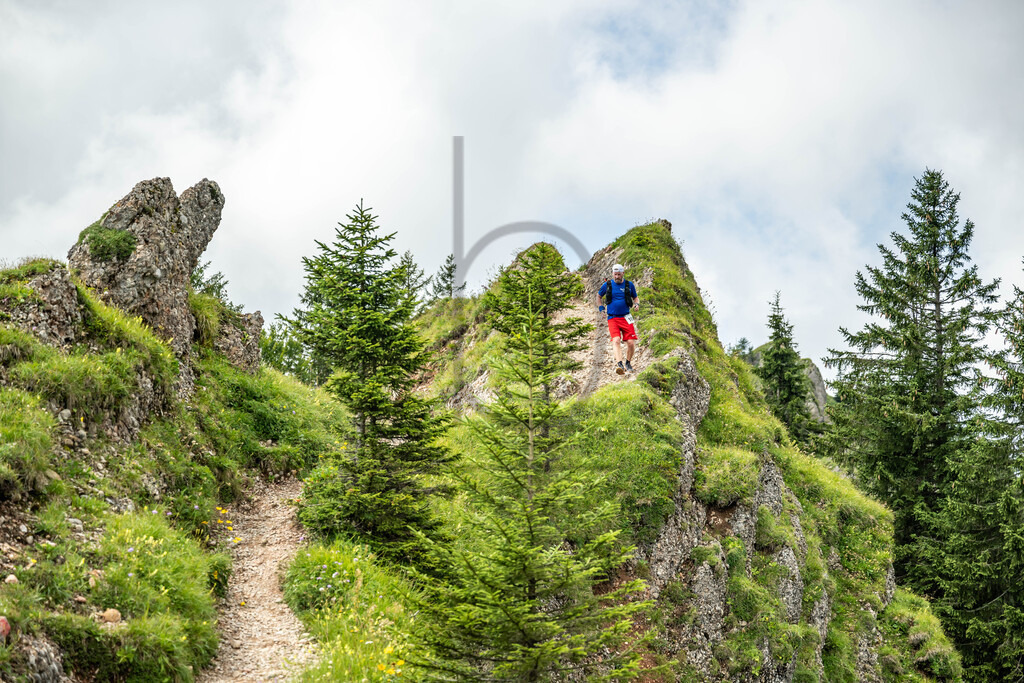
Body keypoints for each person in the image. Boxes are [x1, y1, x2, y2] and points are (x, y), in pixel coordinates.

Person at [597, 264, 639, 374]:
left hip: (626, 317)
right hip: (612, 318)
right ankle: (619, 365)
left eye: (619, 274)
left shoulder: (629, 285)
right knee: (616, 340)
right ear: (612, 274)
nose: (617, 277)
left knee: (631, 343)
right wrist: (601, 307)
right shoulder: (607, 285)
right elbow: (599, 296)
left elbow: (635, 297)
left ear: (623, 273)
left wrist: (636, 304)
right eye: (615, 274)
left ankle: (628, 363)